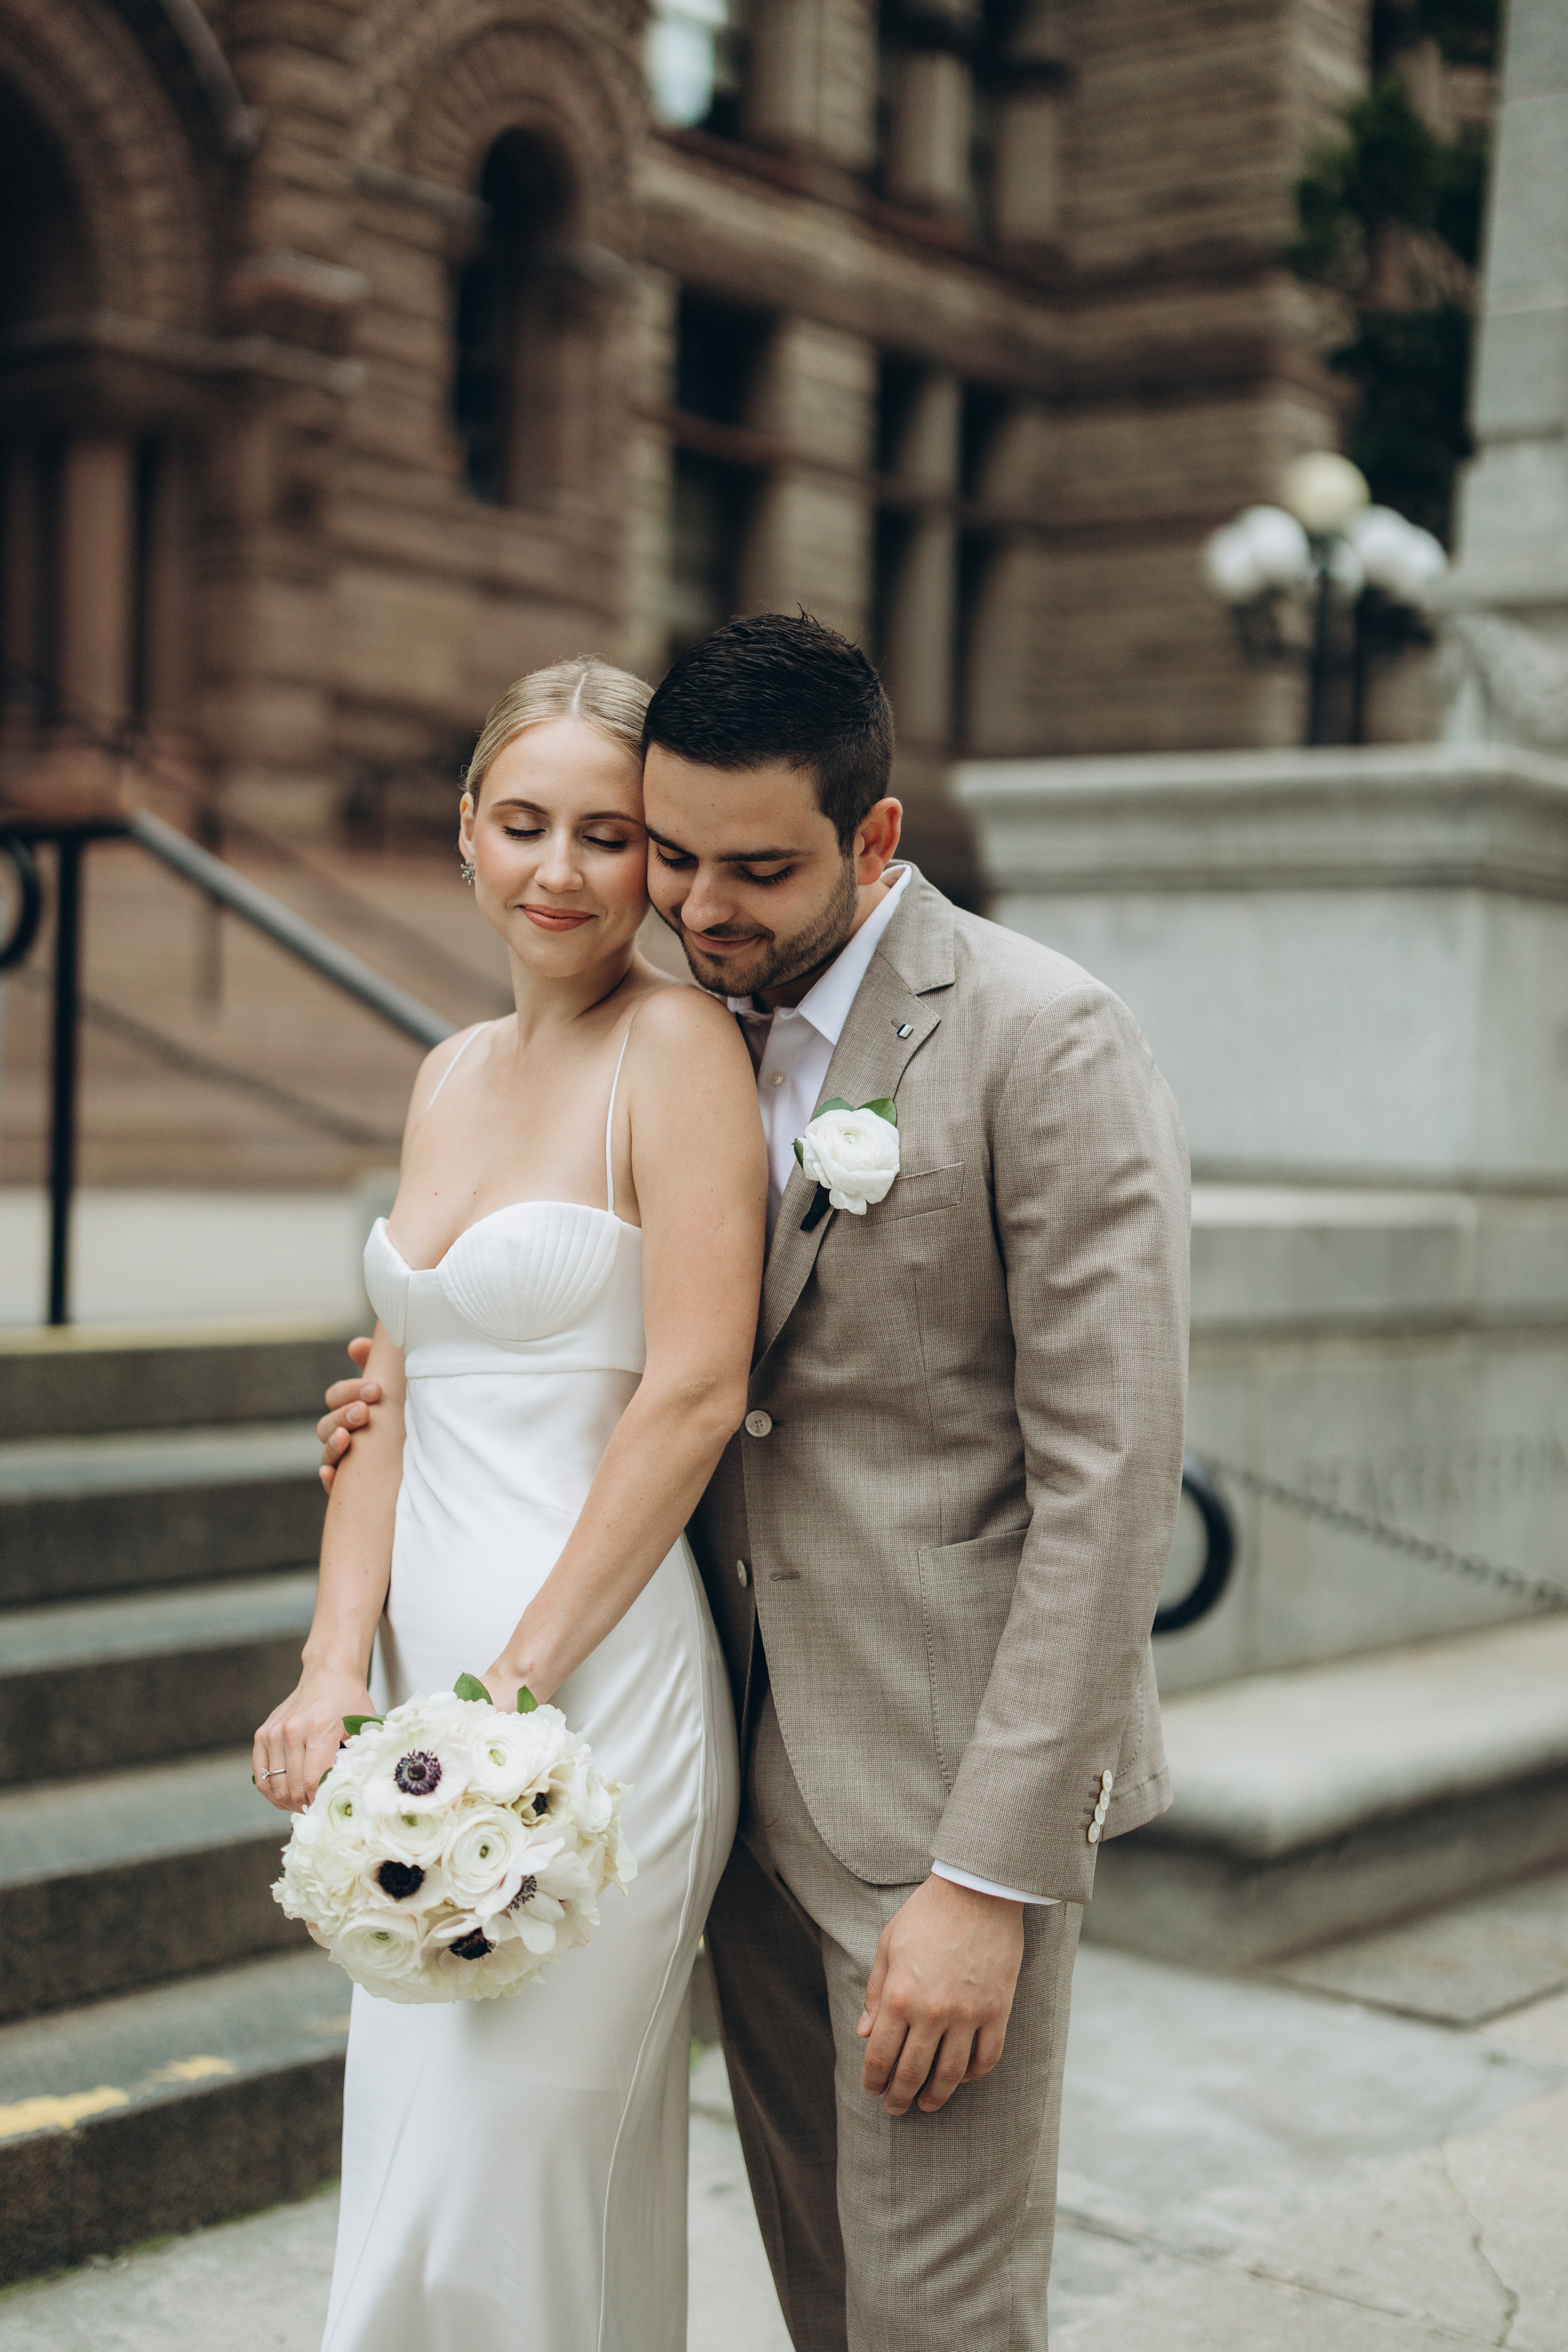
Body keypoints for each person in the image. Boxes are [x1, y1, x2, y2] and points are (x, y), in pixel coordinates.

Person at [315, 613, 1191, 2350]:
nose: (704, 906)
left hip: (932, 1800)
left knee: (936, 2317)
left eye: (761, 867)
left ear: (876, 842)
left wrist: (992, 1879)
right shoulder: (686, 1017)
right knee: (821, 2297)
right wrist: (407, 1404)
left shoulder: (1043, 1036)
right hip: (716, 1778)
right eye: (681, 856)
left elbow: (1109, 1486)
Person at [254, 655, 764, 2352]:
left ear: (653, 863)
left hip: (592, 1701)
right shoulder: (448, 1073)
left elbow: (692, 1391)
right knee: (415, 2170)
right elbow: (387, 1387)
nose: (561, 870)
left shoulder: (677, 1047)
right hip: (428, 1710)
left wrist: (520, 1688)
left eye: (608, 836)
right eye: (525, 824)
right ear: (468, 834)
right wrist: (339, 1668)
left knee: (512, 2182)